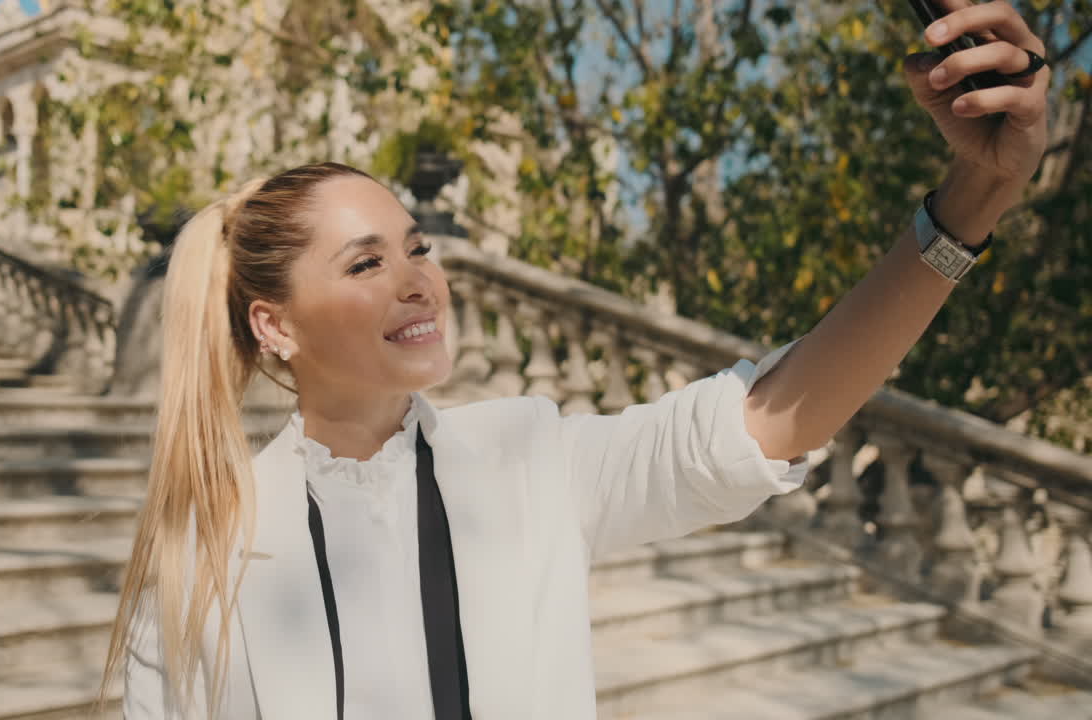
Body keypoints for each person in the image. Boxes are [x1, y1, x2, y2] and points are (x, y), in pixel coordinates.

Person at [101, 2, 1050, 717]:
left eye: (418, 244)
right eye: (365, 262)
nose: (417, 278)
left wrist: (968, 207)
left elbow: (770, 418)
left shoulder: (527, 459)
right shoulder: (197, 565)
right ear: (275, 326)